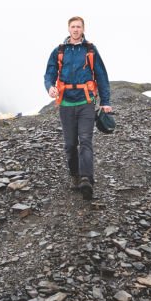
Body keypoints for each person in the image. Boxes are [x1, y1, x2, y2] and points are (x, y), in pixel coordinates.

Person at [44, 16, 112, 200]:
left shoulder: (90, 50)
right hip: (65, 103)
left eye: (78, 27)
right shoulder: (59, 51)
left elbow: (102, 76)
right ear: (68, 29)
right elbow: (49, 73)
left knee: (85, 141)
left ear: (83, 29)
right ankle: (75, 175)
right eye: (73, 27)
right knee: (70, 145)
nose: (75, 30)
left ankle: (86, 179)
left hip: (86, 102)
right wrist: (50, 86)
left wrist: (105, 102)